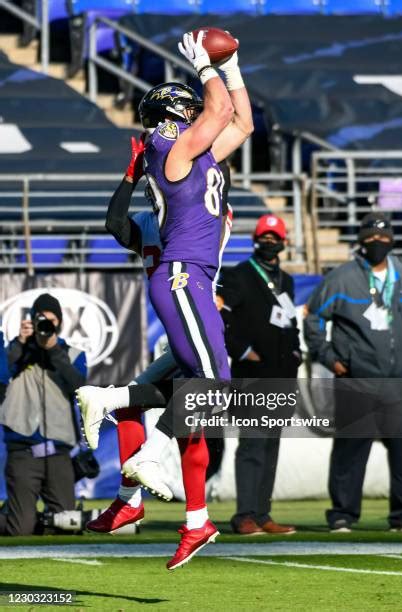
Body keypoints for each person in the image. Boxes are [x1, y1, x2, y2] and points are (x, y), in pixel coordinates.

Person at [77, 29, 253, 569]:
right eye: (186, 111)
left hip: (192, 278)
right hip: (181, 275)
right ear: (173, 115)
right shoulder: (171, 153)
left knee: (197, 389)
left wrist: (234, 66)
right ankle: (150, 458)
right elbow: (219, 111)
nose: (194, 115)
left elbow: (239, 121)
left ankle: (114, 407)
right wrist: (207, 64)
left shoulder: (195, 157)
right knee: (214, 383)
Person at [80, 135, 232, 535]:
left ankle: (174, 510)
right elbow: (116, 224)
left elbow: (209, 193)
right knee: (184, 403)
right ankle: (146, 503)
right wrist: (133, 177)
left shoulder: (200, 216)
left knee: (192, 412)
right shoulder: (158, 220)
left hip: (191, 312)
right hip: (179, 314)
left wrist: (141, 175)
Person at [304, 212, 402, 532]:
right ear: (360, 239)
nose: (377, 242)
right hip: (358, 378)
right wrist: (330, 358)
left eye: (383, 237)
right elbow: (313, 319)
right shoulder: (340, 278)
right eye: (370, 237)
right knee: (351, 448)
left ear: (393, 239)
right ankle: (343, 512)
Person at [217, 214, 301, 535]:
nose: (269, 241)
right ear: (255, 238)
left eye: (274, 236)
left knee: (271, 447)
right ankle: (244, 515)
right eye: (264, 236)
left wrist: (296, 353)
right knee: (252, 446)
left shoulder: (287, 280)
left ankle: (263, 513)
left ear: (283, 241)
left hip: (281, 376)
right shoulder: (239, 276)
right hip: (251, 376)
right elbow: (218, 315)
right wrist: (240, 351)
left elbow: (289, 323)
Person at [0, 293, 87, 536]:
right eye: (41, 321)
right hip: (23, 450)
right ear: (30, 321)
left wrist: (53, 349)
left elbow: (78, 386)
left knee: (67, 526)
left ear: (59, 323)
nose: (45, 327)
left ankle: (22, 512)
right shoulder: (15, 351)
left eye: (51, 321)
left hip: (59, 451)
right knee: (20, 530)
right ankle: (19, 515)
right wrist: (19, 343)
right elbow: (2, 372)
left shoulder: (73, 353)